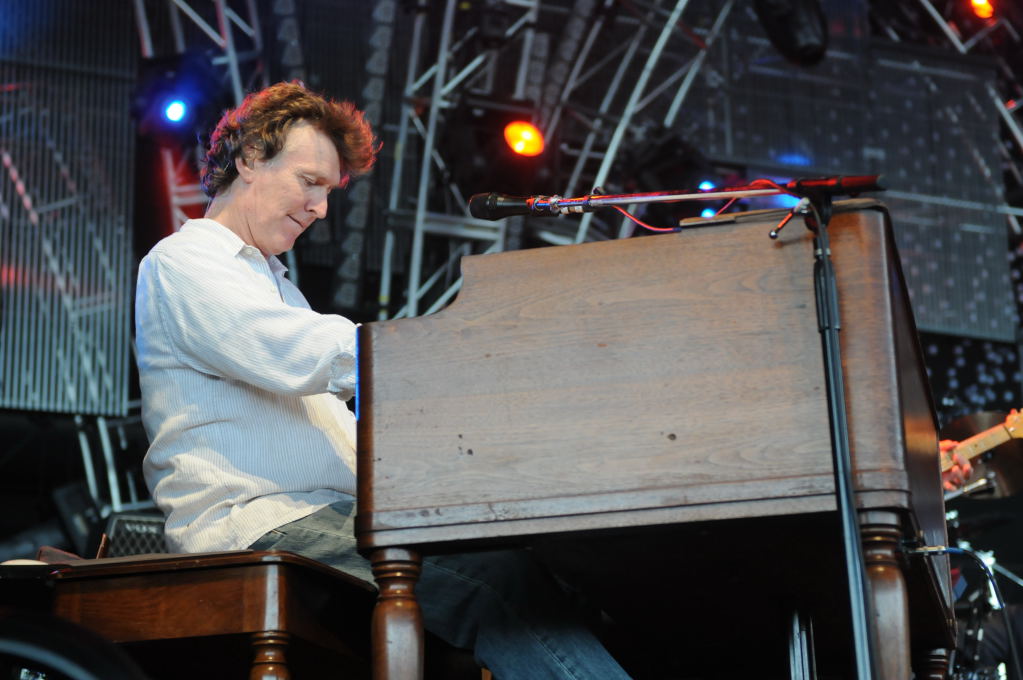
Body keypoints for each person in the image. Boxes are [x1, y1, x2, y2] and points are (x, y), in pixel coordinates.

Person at [134, 81, 631, 679]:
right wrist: (446, 350)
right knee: (500, 583)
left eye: (328, 191)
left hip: (322, 515)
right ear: (249, 158)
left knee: (547, 570)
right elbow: (297, 350)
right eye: (309, 182)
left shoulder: (275, 283)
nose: (320, 208)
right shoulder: (184, 262)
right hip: (260, 522)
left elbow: (342, 412)